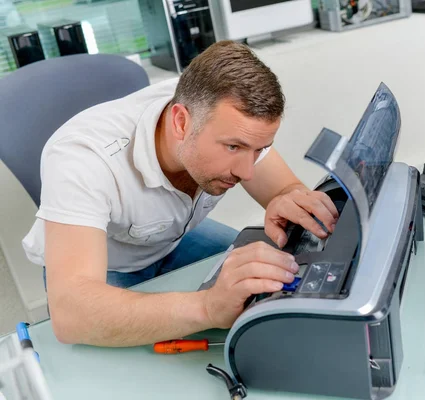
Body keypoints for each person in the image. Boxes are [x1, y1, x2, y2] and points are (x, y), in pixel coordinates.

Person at [21, 40, 339, 347]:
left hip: (169, 238)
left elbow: (284, 189)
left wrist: (288, 195)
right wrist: (206, 307)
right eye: (233, 147)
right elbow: (72, 313)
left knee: (272, 282)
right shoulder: (81, 158)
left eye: (260, 149)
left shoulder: (220, 112)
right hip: (106, 265)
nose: (247, 172)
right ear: (180, 122)